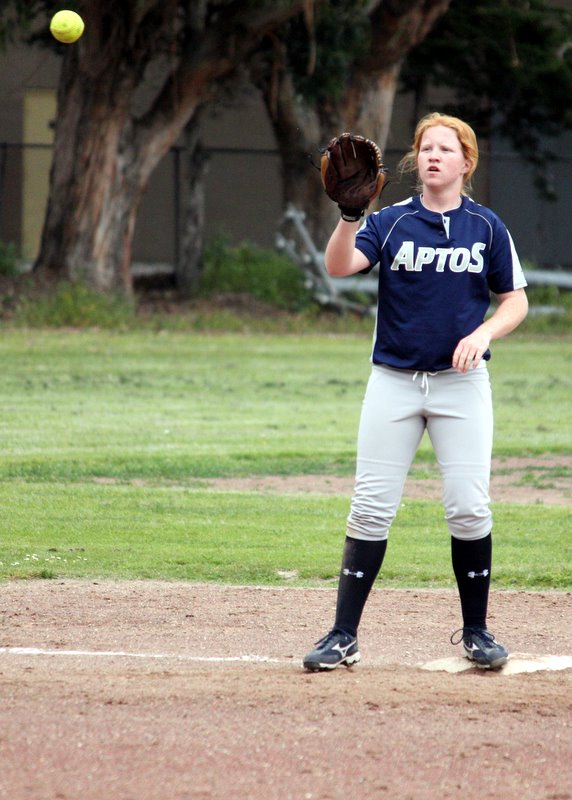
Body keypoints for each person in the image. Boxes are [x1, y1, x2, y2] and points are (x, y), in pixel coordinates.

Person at [303, 112, 528, 672]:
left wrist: (483, 334)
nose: (433, 156)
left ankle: (476, 631)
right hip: (394, 384)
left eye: (445, 149)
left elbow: (515, 300)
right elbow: (339, 266)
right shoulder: (392, 221)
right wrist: (350, 216)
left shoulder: (486, 226)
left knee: (468, 507)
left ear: (466, 162)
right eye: (426, 148)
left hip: (461, 387)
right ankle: (343, 635)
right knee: (370, 507)